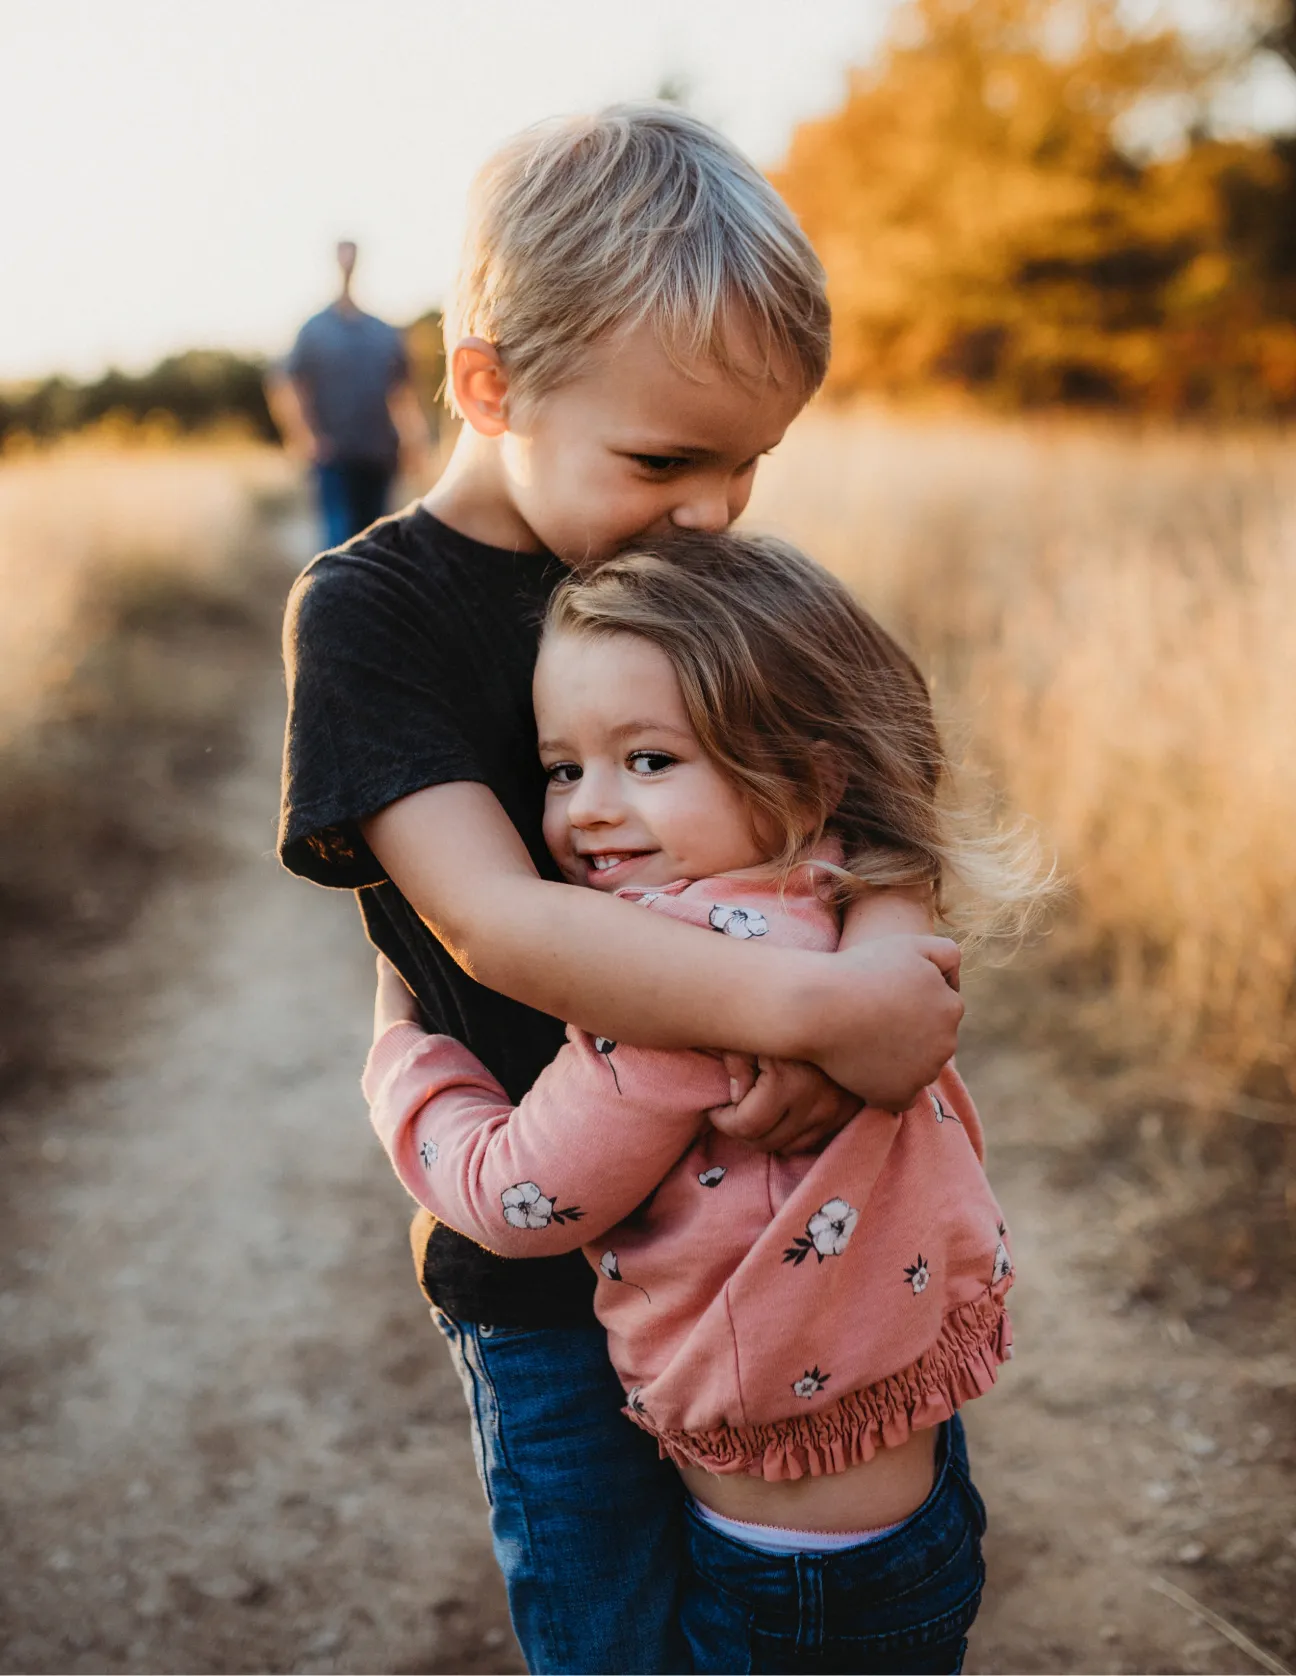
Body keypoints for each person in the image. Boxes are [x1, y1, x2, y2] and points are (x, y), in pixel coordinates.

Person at [278, 105, 965, 1674]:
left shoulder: (706, 579)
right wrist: (821, 1005)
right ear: (487, 383)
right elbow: (495, 919)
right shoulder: (376, 612)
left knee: (830, 1606)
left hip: (803, 1241)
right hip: (543, 1285)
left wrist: (891, 973)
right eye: (668, 458)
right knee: (608, 1635)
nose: (717, 508)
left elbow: (884, 799)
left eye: (750, 463)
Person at [364, 530, 1041, 1674]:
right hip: (908, 1509)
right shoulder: (835, 894)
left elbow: (513, 1192)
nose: (587, 811)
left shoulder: (671, 980)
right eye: (564, 768)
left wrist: (400, 1048)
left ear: (804, 771)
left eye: (650, 760)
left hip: (791, 1575)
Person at [266, 240, 432, 547]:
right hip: (334, 456)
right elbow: (287, 384)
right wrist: (305, 437)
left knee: (374, 542)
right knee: (339, 542)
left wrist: (414, 443)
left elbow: (403, 393)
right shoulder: (314, 330)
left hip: (380, 453)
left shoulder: (382, 332)